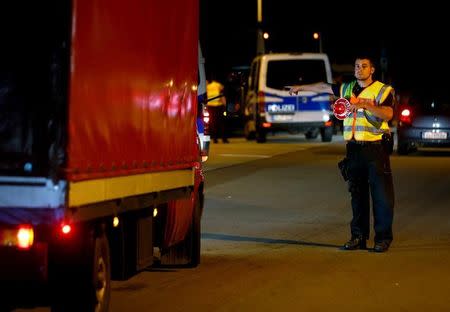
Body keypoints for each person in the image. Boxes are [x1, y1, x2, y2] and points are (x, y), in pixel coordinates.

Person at [289, 55, 395, 252]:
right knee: (357, 196)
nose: (359, 69)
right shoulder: (346, 88)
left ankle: (382, 238)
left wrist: (366, 105)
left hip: (376, 148)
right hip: (353, 148)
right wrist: (300, 87)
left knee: (381, 197)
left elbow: (388, 114)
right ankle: (358, 236)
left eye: (364, 66)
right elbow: (323, 87)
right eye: (356, 66)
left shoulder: (383, 89)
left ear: (372, 70)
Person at [207, 77, 229, 143]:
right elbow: (222, 95)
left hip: (210, 107)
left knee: (213, 123)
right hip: (219, 106)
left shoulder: (207, 87)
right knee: (222, 123)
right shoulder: (219, 85)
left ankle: (215, 139)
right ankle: (224, 139)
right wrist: (225, 105)